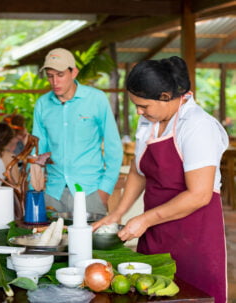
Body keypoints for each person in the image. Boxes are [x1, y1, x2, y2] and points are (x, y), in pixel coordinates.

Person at [92, 56, 228, 303]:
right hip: (155, 230)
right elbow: (138, 169)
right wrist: (117, 214)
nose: (139, 112)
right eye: (136, 105)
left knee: (191, 295)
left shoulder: (198, 126)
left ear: (166, 96)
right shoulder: (149, 122)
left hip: (194, 233)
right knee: (148, 294)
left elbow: (199, 194)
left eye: (143, 106)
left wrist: (145, 219)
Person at [32, 48, 123, 215]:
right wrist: (34, 190)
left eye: (60, 75)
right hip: (53, 193)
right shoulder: (42, 104)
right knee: (50, 241)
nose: (55, 82)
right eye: (50, 76)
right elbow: (37, 150)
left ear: (74, 72)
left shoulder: (97, 99)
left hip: (90, 192)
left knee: (90, 242)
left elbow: (113, 147)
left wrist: (104, 191)